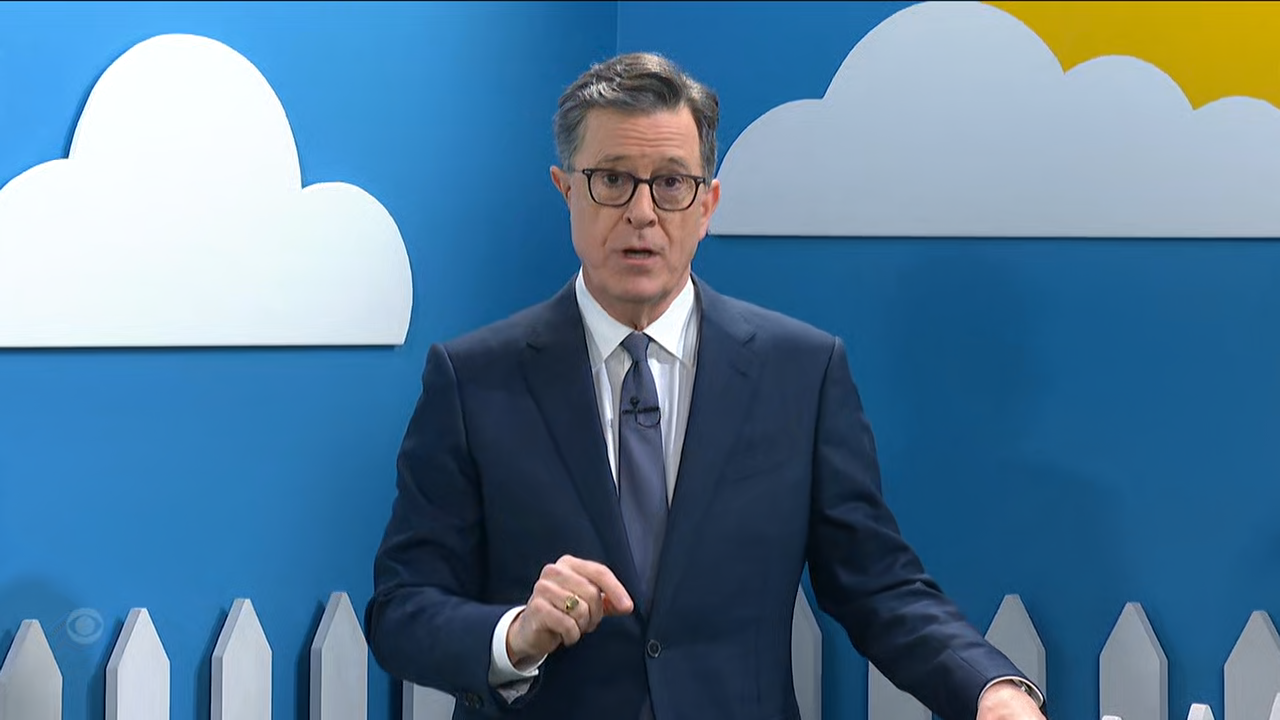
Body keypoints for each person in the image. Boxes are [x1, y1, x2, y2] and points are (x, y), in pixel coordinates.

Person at [364, 51, 1048, 720]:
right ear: (566, 190)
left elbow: (879, 585)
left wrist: (991, 690)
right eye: (611, 180)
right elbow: (401, 609)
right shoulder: (473, 380)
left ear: (707, 204)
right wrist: (515, 635)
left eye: (670, 183)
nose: (641, 212)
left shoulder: (801, 374)